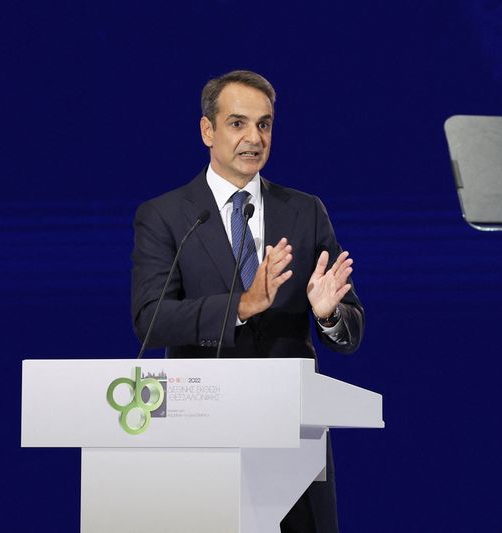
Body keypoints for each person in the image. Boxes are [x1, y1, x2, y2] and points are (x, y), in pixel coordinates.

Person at [131, 70, 364, 533]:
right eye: (238, 123)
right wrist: (242, 305)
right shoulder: (167, 216)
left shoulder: (305, 210)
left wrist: (328, 314)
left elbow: (350, 329)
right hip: (202, 424)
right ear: (207, 131)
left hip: (293, 429)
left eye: (265, 124)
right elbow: (150, 318)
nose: (254, 138)